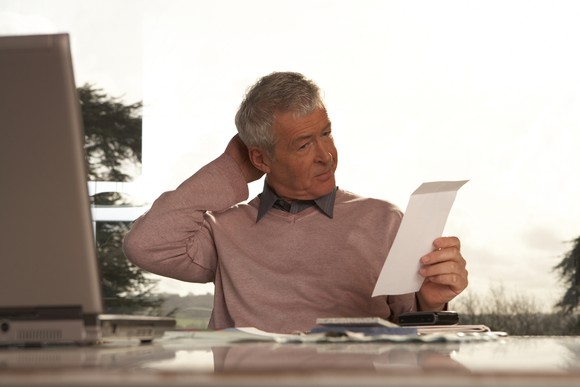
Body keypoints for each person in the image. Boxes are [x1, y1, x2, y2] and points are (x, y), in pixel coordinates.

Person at [123, 71, 468, 333]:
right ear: (260, 159)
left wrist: (431, 299)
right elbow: (145, 244)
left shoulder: (386, 220)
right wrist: (230, 169)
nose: (327, 156)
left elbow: (413, 334)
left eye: (326, 133)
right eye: (304, 145)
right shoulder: (222, 231)